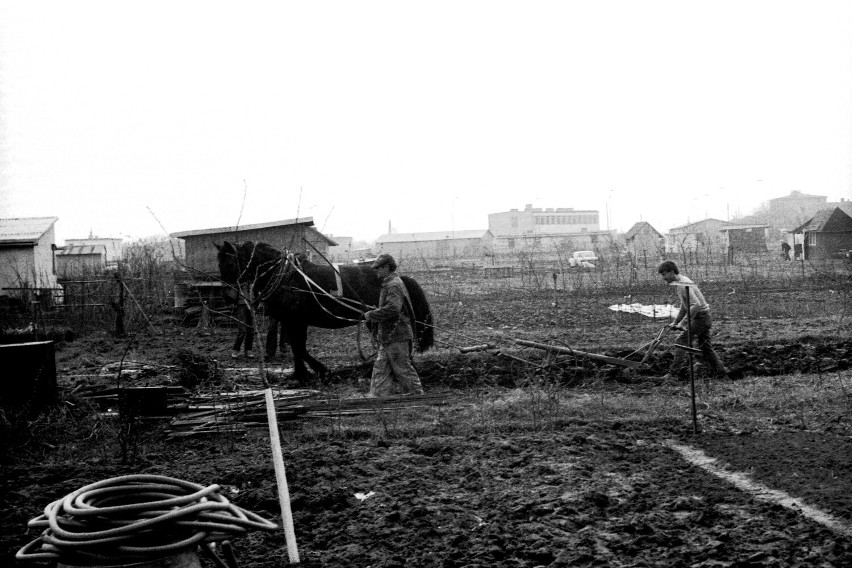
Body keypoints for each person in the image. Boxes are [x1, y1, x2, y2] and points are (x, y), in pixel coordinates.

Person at [363, 254, 424, 397]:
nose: (376, 271)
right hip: (389, 336)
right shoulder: (389, 283)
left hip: (397, 335)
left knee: (402, 369)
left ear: (387, 267)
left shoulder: (394, 285)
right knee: (381, 368)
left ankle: (418, 397)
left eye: (378, 268)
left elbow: (393, 308)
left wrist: (372, 315)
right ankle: (377, 397)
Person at [658, 260, 728, 379]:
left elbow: (696, 305)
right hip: (703, 318)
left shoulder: (684, 283)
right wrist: (676, 322)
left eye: (664, 274)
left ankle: (673, 374)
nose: (663, 278)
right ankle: (721, 373)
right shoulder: (680, 283)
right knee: (706, 348)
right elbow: (685, 305)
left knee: (681, 341)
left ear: (671, 272)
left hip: (701, 318)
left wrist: (683, 322)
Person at [231, 284, 255, 359]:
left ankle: (248, 350)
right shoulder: (239, 280)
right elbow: (234, 294)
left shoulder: (254, 279)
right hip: (241, 306)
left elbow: (257, 292)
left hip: (252, 305)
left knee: (251, 330)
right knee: (242, 330)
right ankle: (236, 350)